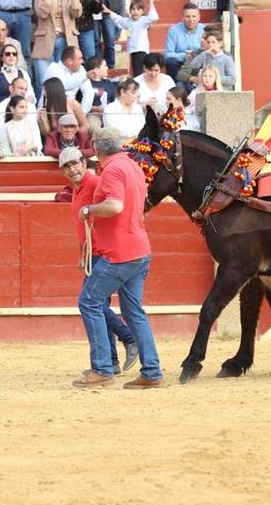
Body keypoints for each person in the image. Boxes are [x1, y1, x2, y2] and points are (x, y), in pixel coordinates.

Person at [73, 127, 166, 388]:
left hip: (119, 253)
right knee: (134, 312)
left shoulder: (112, 170)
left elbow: (115, 205)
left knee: (89, 301)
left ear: (96, 148)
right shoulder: (133, 166)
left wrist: (89, 209)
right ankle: (152, 372)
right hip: (139, 250)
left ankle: (103, 368)